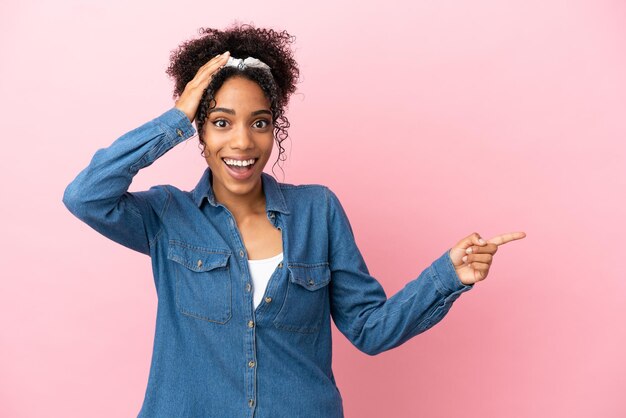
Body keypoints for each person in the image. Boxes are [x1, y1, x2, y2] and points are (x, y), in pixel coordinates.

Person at [62, 22, 526, 418]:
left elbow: (368, 329)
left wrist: (447, 276)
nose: (242, 141)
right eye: (221, 122)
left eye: (259, 122)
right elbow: (86, 196)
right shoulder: (166, 215)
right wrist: (177, 117)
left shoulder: (318, 211)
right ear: (199, 133)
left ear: (274, 127)